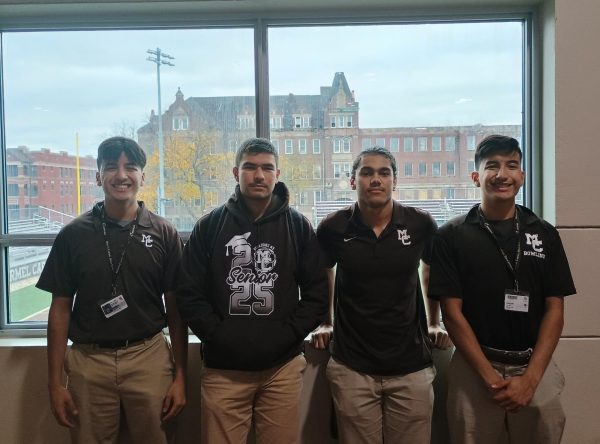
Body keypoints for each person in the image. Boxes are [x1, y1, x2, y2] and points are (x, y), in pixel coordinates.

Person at [176, 137, 328, 444]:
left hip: (281, 369)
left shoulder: (299, 226)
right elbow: (189, 293)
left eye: (266, 168)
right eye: (250, 167)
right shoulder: (210, 226)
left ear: (277, 173)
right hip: (224, 370)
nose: (259, 175)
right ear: (236, 173)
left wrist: (285, 336)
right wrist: (220, 336)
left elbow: (316, 295)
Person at [37, 136, 188, 444]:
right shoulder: (73, 235)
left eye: (130, 167)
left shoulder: (164, 233)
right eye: (111, 167)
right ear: (97, 176)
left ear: (142, 177)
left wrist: (181, 376)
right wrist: (54, 383)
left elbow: (176, 309)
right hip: (89, 363)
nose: (121, 175)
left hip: (148, 357)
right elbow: (60, 308)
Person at [428, 135, 576, 444]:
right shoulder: (451, 236)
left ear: (521, 176)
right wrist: (491, 379)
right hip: (474, 370)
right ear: (476, 177)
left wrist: (531, 379)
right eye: (491, 166)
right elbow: (451, 314)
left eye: (511, 165)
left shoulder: (544, 233)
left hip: (535, 366)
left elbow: (555, 309)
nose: (501, 174)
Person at [312, 146, 452, 444]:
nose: (376, 179)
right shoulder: (333, 227)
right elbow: (323, 273)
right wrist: (326, 321)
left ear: (394, 181)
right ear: (353, 181)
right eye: (367, 173)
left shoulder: (420, 223)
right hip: (352, 366)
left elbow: (430, 271)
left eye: (383, 173)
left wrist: (435, 321)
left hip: (411, 366)